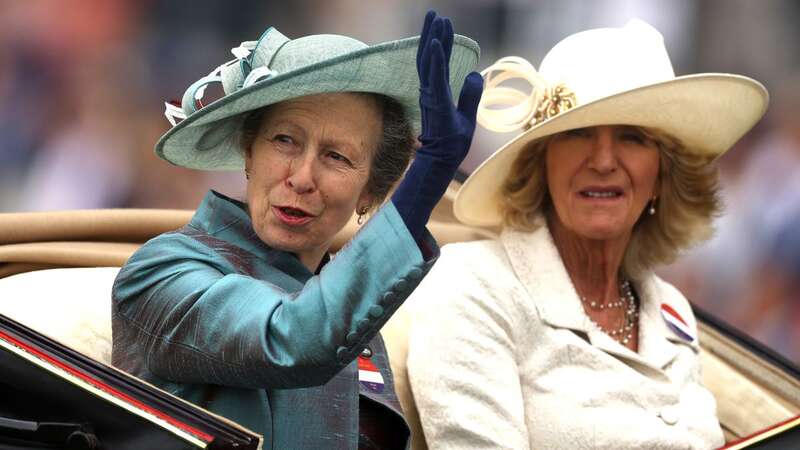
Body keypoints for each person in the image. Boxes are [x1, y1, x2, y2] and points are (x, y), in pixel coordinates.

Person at [111, 12, 483, 450]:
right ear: (249, 154)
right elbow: (290, 337)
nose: (303, 176)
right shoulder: (161, 272)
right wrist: (425, 184)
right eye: (285, 140)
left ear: (371, 192)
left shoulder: (355, 308)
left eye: (337, 157)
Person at [405, 19, 767, 449]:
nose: (603, 160)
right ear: (540, 161)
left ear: (661, 176)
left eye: (632, 137)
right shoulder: (475, 286)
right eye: (577, 133)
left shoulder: (671, 310)